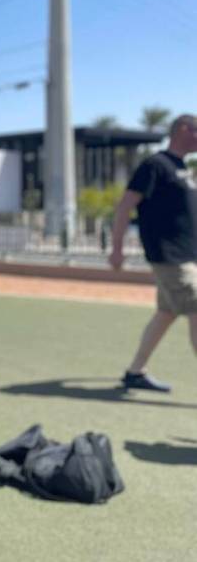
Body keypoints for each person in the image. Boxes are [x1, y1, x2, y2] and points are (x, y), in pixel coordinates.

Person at [109, 113, 197, 392]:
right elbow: (125, 207)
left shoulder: (182, 168)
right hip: (170, 256)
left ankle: (135, 372)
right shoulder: (155, 165)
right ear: (183, 129)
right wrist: (117, 249)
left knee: (166, 313)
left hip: (187, 255)